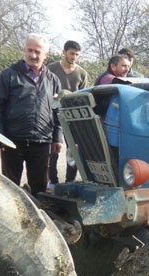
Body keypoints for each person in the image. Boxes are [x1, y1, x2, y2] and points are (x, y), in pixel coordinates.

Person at [0, 33, 63, 196]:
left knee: (40, 190)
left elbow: (57, 111)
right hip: (12, 141)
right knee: (8, 188)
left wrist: (57, 138)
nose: (32, 55)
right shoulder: (9, 75)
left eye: (37, 51)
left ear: (46, 55)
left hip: (41, 142)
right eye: (29, 50)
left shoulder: (53, 80)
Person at [47, 40, 88, 186]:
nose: (74, 57)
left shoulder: (82, 73)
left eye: (77, 55)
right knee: (53, 147)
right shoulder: (51, 69)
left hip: (73, 116)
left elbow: (83, 96)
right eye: (71, 53)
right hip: (53, 114)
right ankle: (52, 180)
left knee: (74, 148)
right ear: (64, 52)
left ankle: (70, 181)